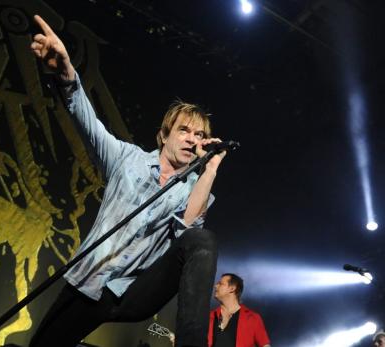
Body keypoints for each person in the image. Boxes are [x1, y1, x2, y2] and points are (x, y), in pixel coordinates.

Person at [29, 14, 226, 347]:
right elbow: (87, 122)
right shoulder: (126, 158)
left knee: (202, 241)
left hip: (133, 292)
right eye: (184, 130)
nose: (193, 139)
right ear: (164, 136)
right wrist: (65, 72)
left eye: (200, 135)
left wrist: (210, 169)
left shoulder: (195, 188)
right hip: (90, 282)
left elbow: (187, 232)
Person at [208, 273, 270, 347]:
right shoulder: (209, 317)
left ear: (232, 288)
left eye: (220, 284)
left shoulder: (252, 318)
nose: (215, 286)